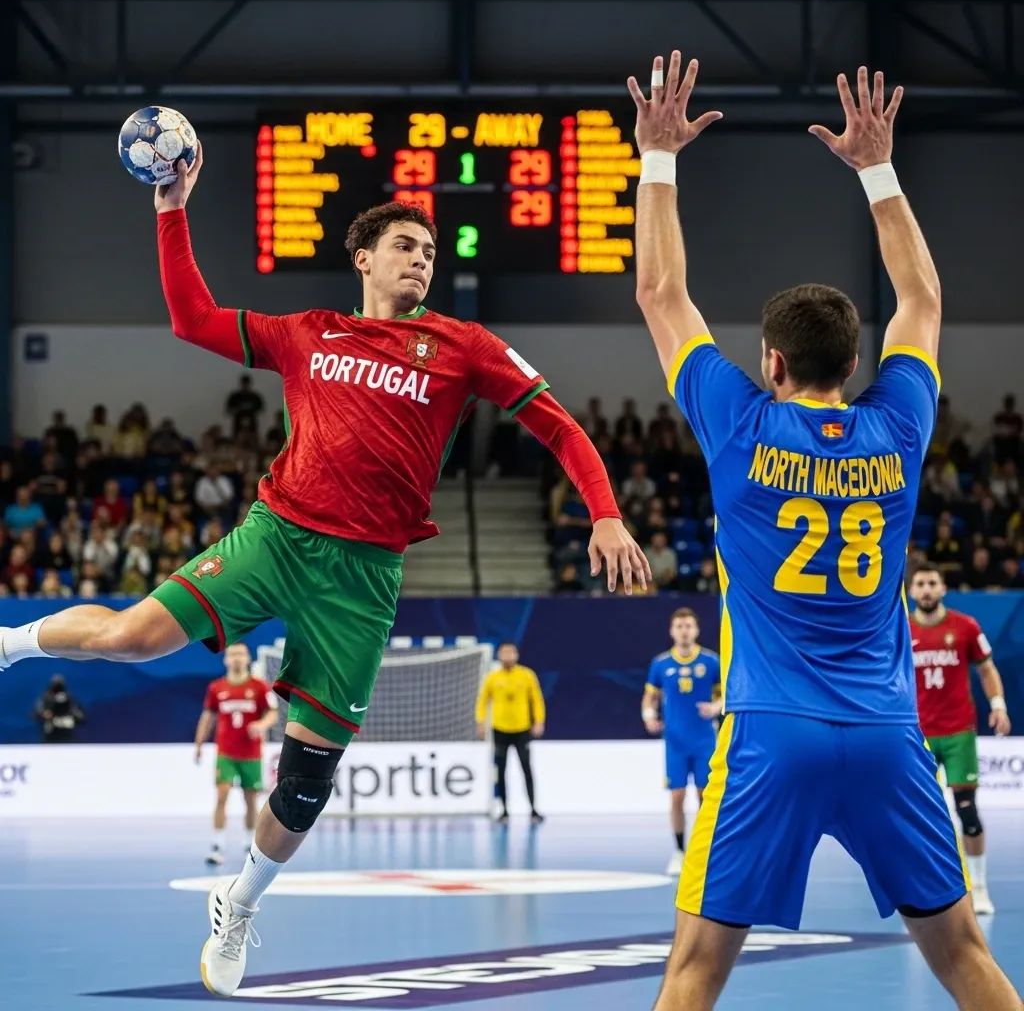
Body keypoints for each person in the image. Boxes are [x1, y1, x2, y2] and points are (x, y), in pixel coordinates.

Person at [0, 144, 650, 998]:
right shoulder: (310, 331)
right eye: (407, 246)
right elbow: (193, 320)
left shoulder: (464, 345)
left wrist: (604, 509)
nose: (421, 259)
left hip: (364, 578)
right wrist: (171, 208)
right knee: (130, 637)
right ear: (364, 258)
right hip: (278, 536)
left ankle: (237, 904)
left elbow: (562, 427)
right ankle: (11, 641)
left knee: (305, 785)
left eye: (429, 250)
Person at [629, 52, 1019, 1009]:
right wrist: (878, 171)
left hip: (772, 733)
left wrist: (659, 159)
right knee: (964, 955)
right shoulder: (899, 423)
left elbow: (661, 297)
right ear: (859, 361)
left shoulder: (740, 422)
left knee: (694, 972)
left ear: (770, 361)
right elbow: (922, 301)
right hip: (889, 734)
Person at [908, 563, 1012, 916]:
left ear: (942, 588)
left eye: (931, 583)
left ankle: (979, 888)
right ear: (910, 591)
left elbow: (987, 669)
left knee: (967, 812)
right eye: (919, 583)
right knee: (916, 815)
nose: (925, 589)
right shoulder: (899, 630)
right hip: (916, 734)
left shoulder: (965, 626)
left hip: (957, 732)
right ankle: (922, 890)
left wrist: (997, 705)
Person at [641, 608, 720, 874]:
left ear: (696, 630)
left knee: (704, 796)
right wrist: (649, 716)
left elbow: (728, 695)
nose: (684, 631)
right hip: (675, 742)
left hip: (704, 741)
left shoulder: (710, 661)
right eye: (679, 626)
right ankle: (678, 851)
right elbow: (650, 698)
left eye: (688, 626)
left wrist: (715, 707)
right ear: (671, 631)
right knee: (677, 797)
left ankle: (704, 852)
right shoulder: (661, 663)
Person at [194, 643, 278, 867]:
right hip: (226, 752)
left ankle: (248, 845)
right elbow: (208, 716)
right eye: (232, 654)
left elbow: (272, 713)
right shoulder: (217, 688)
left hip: (251, 754)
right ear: (225, 660)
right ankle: (217, 845)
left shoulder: (260, 687)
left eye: (240, 654)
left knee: (250, 799)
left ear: (248, 658)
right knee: (221, 795)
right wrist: (199, 743)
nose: (236, 658)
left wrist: (262, 724)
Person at [475, 642, 546, 824]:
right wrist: (481, 722)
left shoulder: (527, 675)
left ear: (516, 655)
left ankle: (533, 809)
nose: (507, 656)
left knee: (526, 769)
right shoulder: (493, 677)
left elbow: (536, 699)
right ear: (499, 655)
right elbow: (483, 701)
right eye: (504, 653)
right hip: (500, 730)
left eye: (510, 653)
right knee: (501, 770)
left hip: (522, 729)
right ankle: (504, 810)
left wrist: (538, 721)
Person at [34, 674, 85, 742]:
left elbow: (80, 715)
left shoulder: (68, 698)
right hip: (51, 733)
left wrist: (71, 715)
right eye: (55, 684)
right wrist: (44, 713)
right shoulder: (46, 698)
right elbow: (37, 711)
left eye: (59, 684)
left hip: (67, 733)